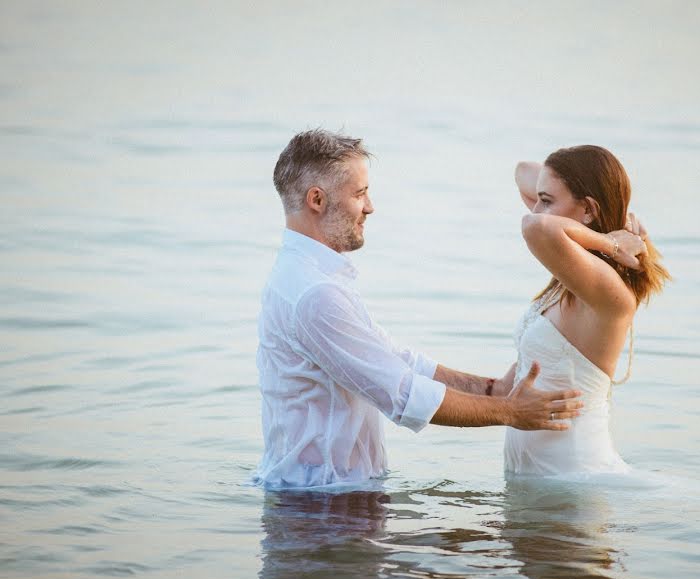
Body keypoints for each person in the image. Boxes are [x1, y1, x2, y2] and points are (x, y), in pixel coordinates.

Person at [253, 130, 647, 489]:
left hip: (568, 472)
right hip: (319, 499)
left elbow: (397, 359)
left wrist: (490, 390)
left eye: (548, 199)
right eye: (360, 193)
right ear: (317, 200)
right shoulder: (315, 292)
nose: (371, 207)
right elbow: (404, 394)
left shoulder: (311, 278)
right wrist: (508, 410)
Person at [504, 145, 670, 476]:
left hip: (574, 477)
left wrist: (613, 241)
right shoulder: (574, 281)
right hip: (543, 479)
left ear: (588, 210)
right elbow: (523, 169)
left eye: (547, 201)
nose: (537, 209)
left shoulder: (608, 290)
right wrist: (613, 221)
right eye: (538, 199)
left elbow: (534, 227)